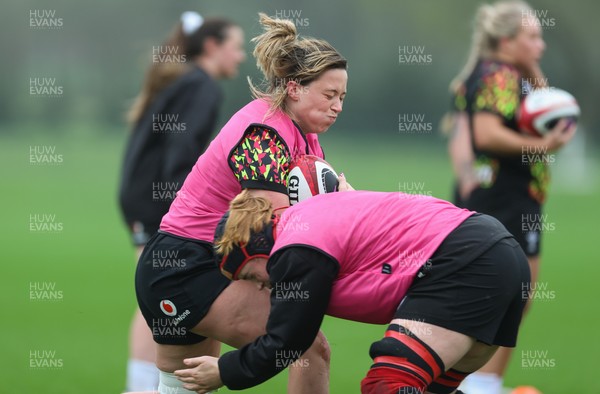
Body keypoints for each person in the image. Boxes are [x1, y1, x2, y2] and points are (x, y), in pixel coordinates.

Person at [134, 12, 348, 394]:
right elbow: (280, 235)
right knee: (307, 348)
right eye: (329, 95)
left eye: (342, 97)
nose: (337, 107)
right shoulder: (263, 134)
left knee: (184, 387)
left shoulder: (305, 136)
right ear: (295, 88)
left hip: (199, 264)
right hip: (185, 267)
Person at [173, 190, 530, 393]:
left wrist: (225, 370)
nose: (261, 287)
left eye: (250, 276)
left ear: (257, 249)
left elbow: (289, 340)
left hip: (468, 262)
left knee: (388, 384)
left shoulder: (294, 249)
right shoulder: (306, 219)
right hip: (497, 255)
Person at [446, 2, 576, 393]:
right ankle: (481, 383)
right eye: (532, 36)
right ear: (506, 41)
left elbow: (541, 105)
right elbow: (485, 134)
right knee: (511, 293)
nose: (541, 44)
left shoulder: (503, 74)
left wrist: (534, 71)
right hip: (505, 198)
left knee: (501, 294)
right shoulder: (498, 75)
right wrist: (544, 146)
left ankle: (471, 380)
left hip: (503, 198)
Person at [119, 11, 246, 391]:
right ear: (212, 46)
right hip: (161, 203)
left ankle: (153, 384)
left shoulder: (186, 79)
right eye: (236, 47)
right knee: (157, 301)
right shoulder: (202, 85)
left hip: (145, 198)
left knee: (158, 298)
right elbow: (182, 157)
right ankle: (143, 387)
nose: (241, 57)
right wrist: (196, 211)